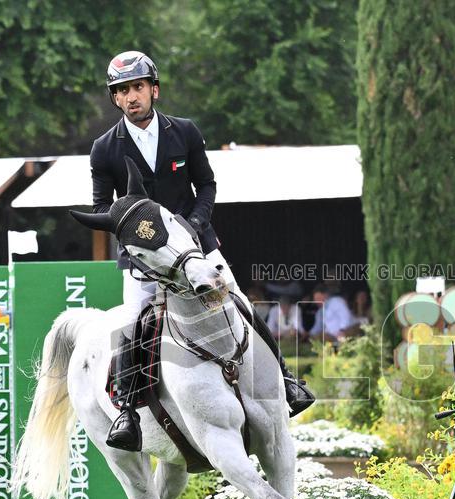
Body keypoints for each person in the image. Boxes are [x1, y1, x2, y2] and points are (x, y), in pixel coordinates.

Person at [89, 50, 313, 451]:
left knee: (241, 304)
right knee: (132, 321)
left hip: (197, 246)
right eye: (122, 91)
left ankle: (287, 380)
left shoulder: (185, 132)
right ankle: (126, 412)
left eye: (138, 87)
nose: (131, 96)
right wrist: (135, 231)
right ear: (116, 99)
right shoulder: (104, 149)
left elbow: (206, 186)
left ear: (153, 90)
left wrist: (192, 226)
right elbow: (101, 208)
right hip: (145, 256)